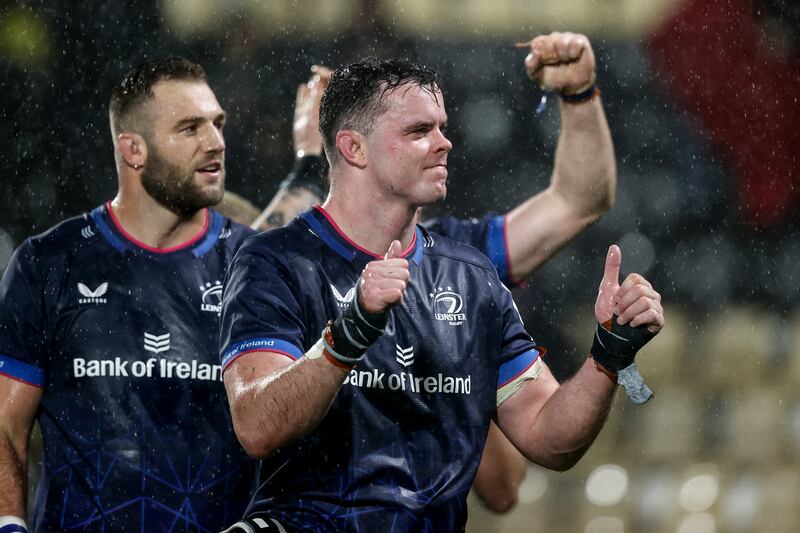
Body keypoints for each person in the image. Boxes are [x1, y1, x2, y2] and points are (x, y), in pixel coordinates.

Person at [219, 56, 662, 531]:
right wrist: (348, 335)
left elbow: (548, 439)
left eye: (442, 127)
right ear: (353, 148)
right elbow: (258, 427)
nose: (444, 142)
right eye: (418, 131)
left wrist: (607, 357)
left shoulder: (473, 277)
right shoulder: (273, 261)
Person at [0, 58, 256, 532]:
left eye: (217, 124)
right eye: (190, 128)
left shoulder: (256, 268)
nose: (216, 142)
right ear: (133, 149)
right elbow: (5, 426)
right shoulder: (48, 264)